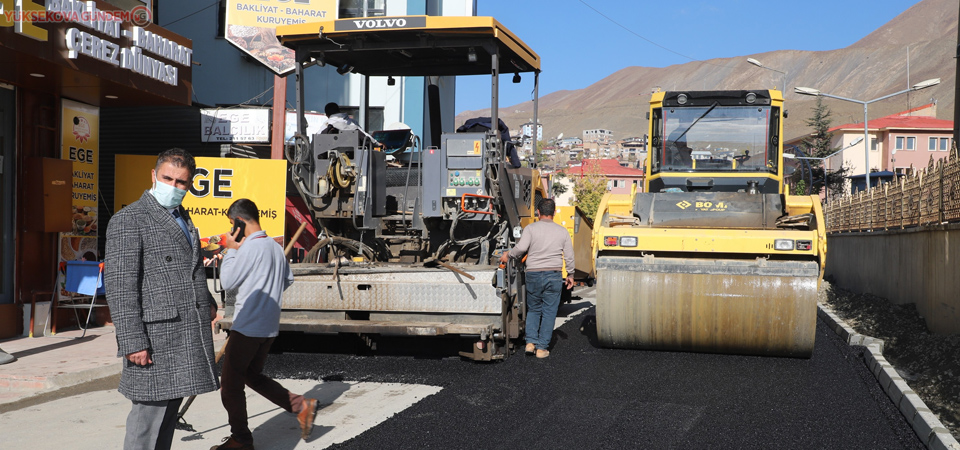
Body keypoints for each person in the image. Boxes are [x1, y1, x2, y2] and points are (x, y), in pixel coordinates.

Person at [104, 148, 219, 450]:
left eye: (181, 182)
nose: (174, 186)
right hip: (155, 338)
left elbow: (190, 267)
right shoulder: (130, 219)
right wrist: (132, 341)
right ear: (153, 176)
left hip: (184, 330)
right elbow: (119, 285)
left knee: (167, 419)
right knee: (147, 423)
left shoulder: (182, 216)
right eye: (167, 178)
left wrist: (207, 301)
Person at [212, 199, 317, 450]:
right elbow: (287, 280)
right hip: (268, 328)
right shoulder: (273, 246)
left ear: (239, 221)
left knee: (229, 388)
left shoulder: (248, 248)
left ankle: (241, 440)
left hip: (248, 327)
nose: (230, 228)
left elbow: (227, 281)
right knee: (251, 375)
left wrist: (230, 249)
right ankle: (301, 406)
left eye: (231, 223)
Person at [498, 198, 575, 359]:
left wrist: (508, 255)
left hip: (533, 274)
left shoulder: (530, 229)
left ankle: (530, 343)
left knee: (534, 309)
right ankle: (541, 348)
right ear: (554, 213)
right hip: (553, 275)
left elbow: (521, 248)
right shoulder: (562, 231)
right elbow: (569, 255)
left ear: (538, 212)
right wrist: (570, 274)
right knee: (549, 312)